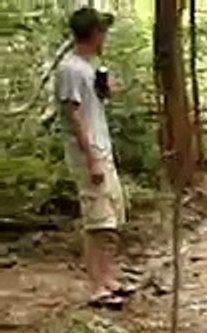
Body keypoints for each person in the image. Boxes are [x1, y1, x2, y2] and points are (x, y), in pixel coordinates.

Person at [56, 7, 126, 308]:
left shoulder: (88, 66)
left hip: (101, 148)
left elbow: (92, 106)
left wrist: (105, 89)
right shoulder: (70, 68)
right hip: (90, 153)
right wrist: (91, 159)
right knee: (99, 224)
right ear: (94, 33)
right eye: (103, 31)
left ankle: (108, 279)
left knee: (112, 218)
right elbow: (72, 115)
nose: (105, 37)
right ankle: (97, 287)